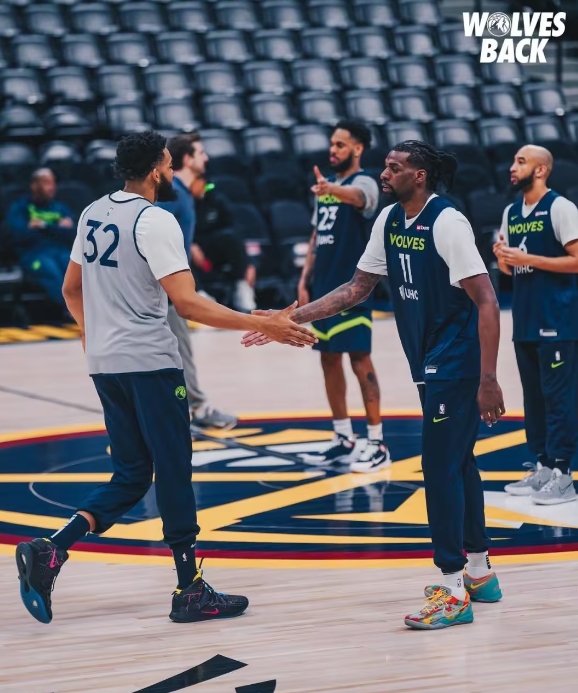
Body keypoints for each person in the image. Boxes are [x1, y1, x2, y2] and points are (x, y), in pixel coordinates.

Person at [14, 131, 317, 626]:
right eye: (171, 165)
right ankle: (189, 588)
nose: (174, 173)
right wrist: (262, 323)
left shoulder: (92, 212)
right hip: (150, 362)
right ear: (156, 170)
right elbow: (189, 304)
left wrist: (94, 335)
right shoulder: (155, 220)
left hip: (106, 363)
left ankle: (51, 549)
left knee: (133, 474)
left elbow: (71, 289)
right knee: (174, 469)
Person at [243, 140, 506, 630]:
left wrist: (488, 378)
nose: (384, 174)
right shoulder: (388, 220)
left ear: (419, 176)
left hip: (456, 360)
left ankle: (452, 590)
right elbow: (356, 289)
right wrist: (289, 317)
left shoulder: (447, 222)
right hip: (427, 358)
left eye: (394, 167)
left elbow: (488, 301)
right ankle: (479, 573)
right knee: (459, 462)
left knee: (439, 468)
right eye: (385, 166)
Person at [297, 120, 390, 473]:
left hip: (352, 288)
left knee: (360, 359)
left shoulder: (362, 182)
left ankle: (377, 443)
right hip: (322, 286)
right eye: (332, 144)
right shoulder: (326, 188)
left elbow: (362, 199)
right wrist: (304, 278)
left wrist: (331, 190)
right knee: (328, 360)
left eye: (340, 144)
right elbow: (316, 236)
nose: (333, 149)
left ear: (358, 148)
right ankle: (343, 438)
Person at [493, 145, 578, 504]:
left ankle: (563, 474)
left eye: (521, 162)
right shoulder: (511, 212)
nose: (513, 167)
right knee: (535, 398)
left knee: (558, 398)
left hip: (558, 319)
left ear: (541, 170)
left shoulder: (560, 208)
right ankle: (543, 465)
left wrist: (530, 258)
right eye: (513, 161)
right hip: (525, 318)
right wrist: (503, 258)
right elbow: (511, 268)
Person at [156, 132, 237, 430]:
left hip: (167, 284)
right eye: (201, 153)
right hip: (164, 287)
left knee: (172, 351)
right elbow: (150, 233)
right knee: (178, 349)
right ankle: (198, 408)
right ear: (187, 159)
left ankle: (179, 411)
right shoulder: (173, 193)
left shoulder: (181, 192)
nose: (207, 158)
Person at [7, 168, 75, 310]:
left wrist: (43, 226)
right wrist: (57, 228)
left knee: (77, 271)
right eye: (46, 183)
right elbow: (19, 235)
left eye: (53, 183)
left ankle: (87, 311)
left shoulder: (60, 208)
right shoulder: (20, 208)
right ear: (34, 185)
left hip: (61, 252)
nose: (51, 187)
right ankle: (74, 311)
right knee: (49, 270)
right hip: (33, 256)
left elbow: (73, 234)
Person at [190, 178, 257, 313]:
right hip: (190, 246)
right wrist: (190, 244)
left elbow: (235, 228)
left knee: (231, 239)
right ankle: (198, 293)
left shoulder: (216, 200)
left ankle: (242, 284)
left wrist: (249, 263)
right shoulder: (180, 201)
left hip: (213, 249)